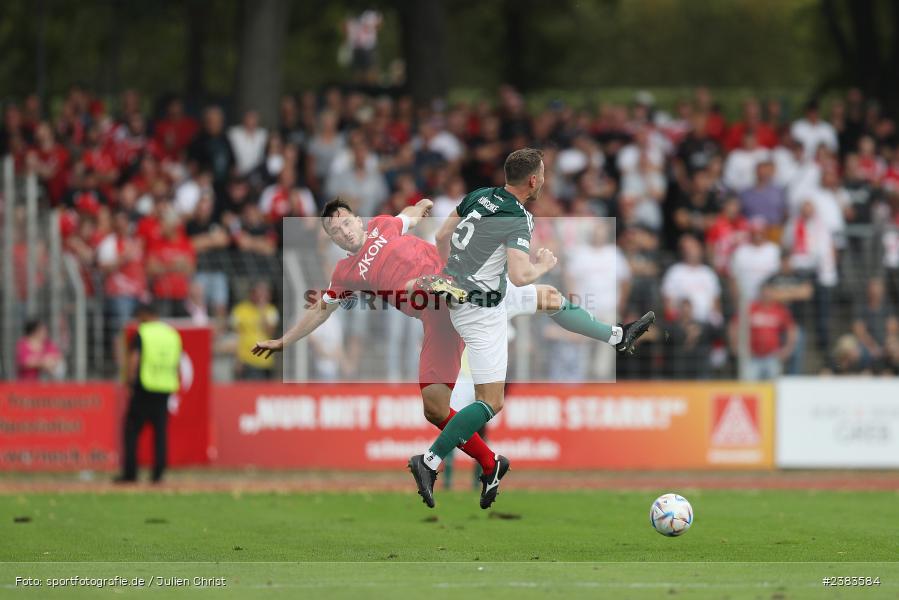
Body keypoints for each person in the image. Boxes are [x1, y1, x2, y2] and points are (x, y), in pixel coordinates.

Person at [411, 148, 654, 509]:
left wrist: (453, 272)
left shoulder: (479, 194)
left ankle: (617, 336)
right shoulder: (518, 216)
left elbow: (443, 236)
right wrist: (543, 263)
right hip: (481, 310)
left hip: (482, 290)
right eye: (544, 175)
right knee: (491, 402)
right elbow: (521, 274)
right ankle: (429, 461)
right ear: (534, 180)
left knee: (551, 298)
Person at [117, 303, 182, 484]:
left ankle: (130, 474)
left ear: (146, 315)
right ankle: (158, 474)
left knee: (131, 431)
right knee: (160, 433)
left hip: (144, 388)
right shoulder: (171, 334)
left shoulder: (142, 333)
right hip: (165, 388)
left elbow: (134, 360)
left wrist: (129, 383)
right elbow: (177, 362)